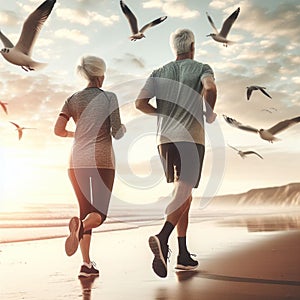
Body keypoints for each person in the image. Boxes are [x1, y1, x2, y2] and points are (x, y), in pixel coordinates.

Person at [135, 29, 217, 278]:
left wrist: (161, 113)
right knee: (184, 191)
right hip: (191, 139)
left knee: (183, 193)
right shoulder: (201, 67)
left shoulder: (159, 73)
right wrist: (209, 111)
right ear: (192, 46)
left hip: (165, 141)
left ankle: (182, 254)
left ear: (175, 48)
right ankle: (163, 236)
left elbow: (140, 103)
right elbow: (210, 88)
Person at [54, 55, 126, 278]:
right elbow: (116, 132)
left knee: (86, 213)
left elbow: (57, 130)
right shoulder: (109, 98)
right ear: (101, 76)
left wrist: (76, 134)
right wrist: (123, 128)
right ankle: (81, 229)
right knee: (99, 215)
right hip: (101, 162)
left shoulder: (72, 99)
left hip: (75, 163)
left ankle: (86, 265)